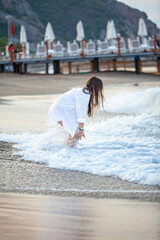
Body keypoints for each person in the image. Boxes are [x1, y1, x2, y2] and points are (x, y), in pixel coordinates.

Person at [47, 76, 104, 145]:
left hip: (58, 109)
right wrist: (80, 129)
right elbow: (81, 112)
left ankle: (51, 145)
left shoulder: (82, 91)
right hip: (60, 110)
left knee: (71, 132)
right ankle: (69, 151)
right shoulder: (84, 94)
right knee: (75, 133)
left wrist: (80, 128)